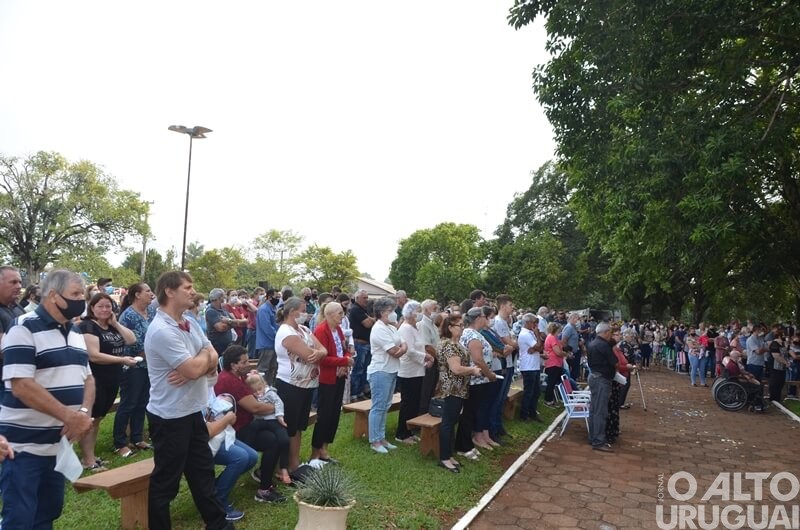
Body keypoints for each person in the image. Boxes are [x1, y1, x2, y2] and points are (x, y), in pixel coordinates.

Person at [0, 270, 94, 528]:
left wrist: (83, 413)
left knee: (48, 513)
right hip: (22, 448)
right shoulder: (23, 327)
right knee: (20, 517)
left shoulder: (74, 332)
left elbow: (88, 379)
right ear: (53, 295)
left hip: (57, 446)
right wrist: (69, 416)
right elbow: (21, 385)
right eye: (75, 294)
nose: (81, 300)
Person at [144, 271, 228, 529]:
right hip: (169, 417)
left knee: (203, 476)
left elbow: (213, 353)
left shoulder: (189, 321)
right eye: (187, 287)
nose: (193, 292)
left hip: (193, 412)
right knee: (165, 485)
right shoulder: (160, 330)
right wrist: (199, 366)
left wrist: (199, 364)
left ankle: (219, 525)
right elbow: (194, 368)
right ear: (169, 291)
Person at [214, 346, 286, 504]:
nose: (248, 364)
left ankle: (264, 481)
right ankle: (264, 487)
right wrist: (278, 407)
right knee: (273, 439)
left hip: (245, 425)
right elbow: (255, 408)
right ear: (233, 365)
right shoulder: (230, 381)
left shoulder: (237, 376)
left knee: (274, 438)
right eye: (244, 362)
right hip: (237, 430)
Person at [77, 292, 138, 471]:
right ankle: (88, 460)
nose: (104, 310)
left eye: (108, 306)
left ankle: (91, 456)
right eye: (100, 306)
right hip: (95, 379)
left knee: (97, 419)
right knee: (90, 419)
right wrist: (123, 360)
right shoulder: (88, 326)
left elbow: (131, 339)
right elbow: (94, 356)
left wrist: (115, 323)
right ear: (92, 308)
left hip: (112, 379)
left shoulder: (112, 326)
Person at [273, 297, 326, 471]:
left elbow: (323, 350)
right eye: (302, 310)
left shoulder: (303, 329)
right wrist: (317, 353)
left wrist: (318, 353)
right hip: (290, 384)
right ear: (291, 311)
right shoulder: (286, 332)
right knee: (290, 425)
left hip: (307, 384)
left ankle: (294, 461)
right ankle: (287, 464)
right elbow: (306, 354)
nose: (306, 314)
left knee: (299, 426)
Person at [204, 380, 257, 522]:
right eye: (211, 370)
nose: (216, 374)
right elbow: (205, 431)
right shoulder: (195, 392)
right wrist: (226, 418)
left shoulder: (209, 388)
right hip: (205, 442)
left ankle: (214, 490)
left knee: (252, 456)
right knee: (240, 457)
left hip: (221, 434)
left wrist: (225, 414)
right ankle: (218, 501)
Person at [437, 313, 482, 472]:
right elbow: (455, 368)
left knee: (452, 421)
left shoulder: (457, 344)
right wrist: (473, 370)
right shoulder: (448, 345)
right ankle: (444, 458)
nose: (462, 328)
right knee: (448, 423)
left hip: (460, 388)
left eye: (463, 325)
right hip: (452, 388)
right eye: (460, 326)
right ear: (449, 327)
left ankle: (449, 455)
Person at [115, 282, 156, 457]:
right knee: (128, 403)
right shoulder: (128, 316)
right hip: (133, 365)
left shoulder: (151, 312)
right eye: (147, 291)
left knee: (142, 401)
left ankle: (137, 437)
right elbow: (131, 342)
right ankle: (120, 442)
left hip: (149, 365)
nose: (151, 294)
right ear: (137, 295)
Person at [311, 301, 353, 462]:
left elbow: (345, 350)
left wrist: (345, 361)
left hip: (339, 376)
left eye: (343, 313)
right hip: (327, 378)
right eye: (340, 313)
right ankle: (315, 452)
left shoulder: (339, 330)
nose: (342, 316)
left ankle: (324, 449)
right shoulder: (321, 331)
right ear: (329, 315)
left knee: (335, 413)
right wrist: (342, 361)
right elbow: (323, 358)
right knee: (324, 415)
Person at [367, 297, 408, 453]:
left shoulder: (391, 327)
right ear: (382, 312)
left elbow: (403, 343)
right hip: (380, 371)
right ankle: (374, 441)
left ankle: (382, 437)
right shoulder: (378, 328)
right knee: (378, 406)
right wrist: (401, 349)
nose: (393, 314)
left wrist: (401, 348)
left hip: (391, 370)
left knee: (386, 405)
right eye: (390, 311)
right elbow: (394, 352)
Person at [460, 307, 498, 451]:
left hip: (479, 380)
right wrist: (489, 374)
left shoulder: (475, 333)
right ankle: (474, 438)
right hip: (476, 380)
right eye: (484, 316)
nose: (486, 319)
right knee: (473, 410)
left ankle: (482, 435)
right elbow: (478, 359)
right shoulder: (472, 336)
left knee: (478, 409)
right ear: (477, 318)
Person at [395, 300, 433, 444]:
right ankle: (401, 433)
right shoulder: (405, 328)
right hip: (408, 370)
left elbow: (420, 347)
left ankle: (409, 430)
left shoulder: (414, 327)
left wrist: (425, 360)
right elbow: (410, 351)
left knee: (414, 402)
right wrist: (425, 358)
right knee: (408, 403)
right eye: (418, 311)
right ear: (410, 313)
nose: (420, 314)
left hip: (418, 370)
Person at [245, 371, 291, 486]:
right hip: (260, 421)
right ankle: (247, 450)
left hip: (273, 420)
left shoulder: (270, 392)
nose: (258, 393)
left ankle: (284, 468)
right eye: (254, 392)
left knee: (284, 440)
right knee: (252, 427)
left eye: (259, 389)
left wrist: (279, 416)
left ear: (263, 384)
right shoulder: (252, 396)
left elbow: (279, 402)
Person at [586, 322, 617, 452]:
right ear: (605, 333)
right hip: (601, 379)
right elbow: (614, 362)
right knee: (600, 411)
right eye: (609, 333)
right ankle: (598, 441)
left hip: (594, 376)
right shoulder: (603, 345)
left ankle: (593, 437)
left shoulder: (592, 343)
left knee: (594, 409)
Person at [0, 266, 24, 400]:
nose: (19, 286)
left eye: (20, 282)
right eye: (13, 282)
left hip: (17, 379)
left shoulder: (17, 307)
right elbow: (4, 347)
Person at [349, 289, 376, 401]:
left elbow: (371, 320)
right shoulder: (355, 309)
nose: (366, 299)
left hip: (366, 344)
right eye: (364, 298)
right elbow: (367, 324)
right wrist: (372, 319)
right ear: (357, 298)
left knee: (365, 369)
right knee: (357, 369)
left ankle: (360, 391)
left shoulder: (364, 310)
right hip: (359, 344)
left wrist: (371, 319)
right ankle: (354, 394)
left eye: (367, 297)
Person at [517, 313, 544, 422]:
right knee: (529, 392)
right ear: (528, 322)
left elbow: (540, 347)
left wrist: (537, 348)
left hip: (534, 366)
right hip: (528, 367)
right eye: (534, 322)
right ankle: (524, 414)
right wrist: (537, 337)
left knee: (536, 391)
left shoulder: (530, 332)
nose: (536, 325)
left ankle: (532, 412)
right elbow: (538, 346)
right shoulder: (525, 334)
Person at [417, 299, 440, 414]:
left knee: (431, 389)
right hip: (428, 361)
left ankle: (427, 412)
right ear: (426, 309)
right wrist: (441, 357)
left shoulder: (433, 325)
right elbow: (427, 346)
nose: (437, 311)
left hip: (435, 360)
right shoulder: (423, 324)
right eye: (434, 309)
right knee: (426, 391)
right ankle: (422, 414)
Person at [255, 288, 280, 384]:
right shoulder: (264, 310)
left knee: (272, 369)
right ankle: (260, 389)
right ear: (269, 297)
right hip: (266, 344)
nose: (277, 299)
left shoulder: (273, 309)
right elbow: (267, 328)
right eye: (276, 297)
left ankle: (269, 388)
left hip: (273, 344)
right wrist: (277, 337)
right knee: (263, 369)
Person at [206, 288, 236, 355]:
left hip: (227, 345)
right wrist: (231, 323)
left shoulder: (223, 309)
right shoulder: (210, 311)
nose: (225, 297)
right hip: (218, 347)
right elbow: (221, 328)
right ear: (218, 298)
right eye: (223, 296)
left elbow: (234, 321)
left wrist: (228, 321)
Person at [543, 322, 566, 406]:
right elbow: (558, 352)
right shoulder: (552, 338)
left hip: (556, 363)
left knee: (555, 382)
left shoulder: (553, 337)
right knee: (551, 383)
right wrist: (565, 354)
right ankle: (548, 400)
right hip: (553, 363)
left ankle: (555, 398)